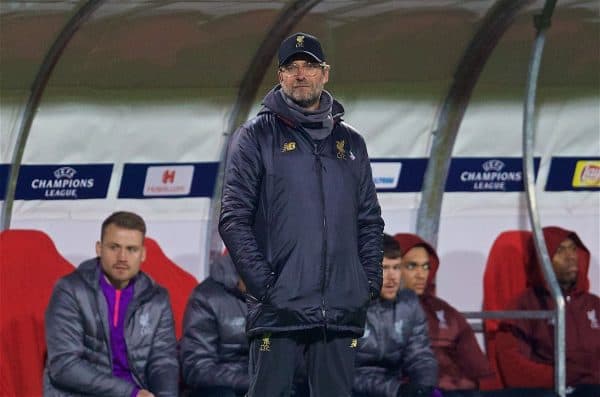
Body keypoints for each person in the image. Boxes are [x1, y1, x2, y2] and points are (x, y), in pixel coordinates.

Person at [219, 31, 384, 396]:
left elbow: (370, 221)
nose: (300, 74)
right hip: (279, 312)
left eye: (309, 66)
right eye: (291, 67)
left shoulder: (351, 143)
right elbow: (233, 218)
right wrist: (268, 288)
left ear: (325, 73)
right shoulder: (255, 136)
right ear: (280, 77)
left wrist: (366, 285)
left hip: (341, 309)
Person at [44, 211, 179, 397]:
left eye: (132, 249)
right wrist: (131, 393)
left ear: (143, 254)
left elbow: (163, 361)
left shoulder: (157, 298)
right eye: (114, 247)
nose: (122, 257)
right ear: (99, 248)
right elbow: (64, 365)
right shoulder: (70, 290)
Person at [495, 226, 600, 396]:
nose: (571, 257)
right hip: (552, 391)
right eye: (560, 251)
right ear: (541, 259)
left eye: (573, 249)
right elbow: (513, 368)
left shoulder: (594, 304)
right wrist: (564, 375)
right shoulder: (524, 305)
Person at [394, 233, 494, 397]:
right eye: (412, 266)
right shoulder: (381, 312)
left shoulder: (444, 311)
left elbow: (477, 366)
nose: (421, 274)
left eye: (426, 266)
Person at [353, 234, 438, 397]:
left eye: (397, 267)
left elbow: (419, 355)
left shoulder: (409, 304)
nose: (392, 277)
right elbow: (342, 373)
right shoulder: (344, 310)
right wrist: (396, 391)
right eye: (383, 268)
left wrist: (424, 387)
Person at [180, 254, 249, 397]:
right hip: (221, 389)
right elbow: (197, 368)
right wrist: (251, 381)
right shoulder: (206, 297)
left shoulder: (281, 295)